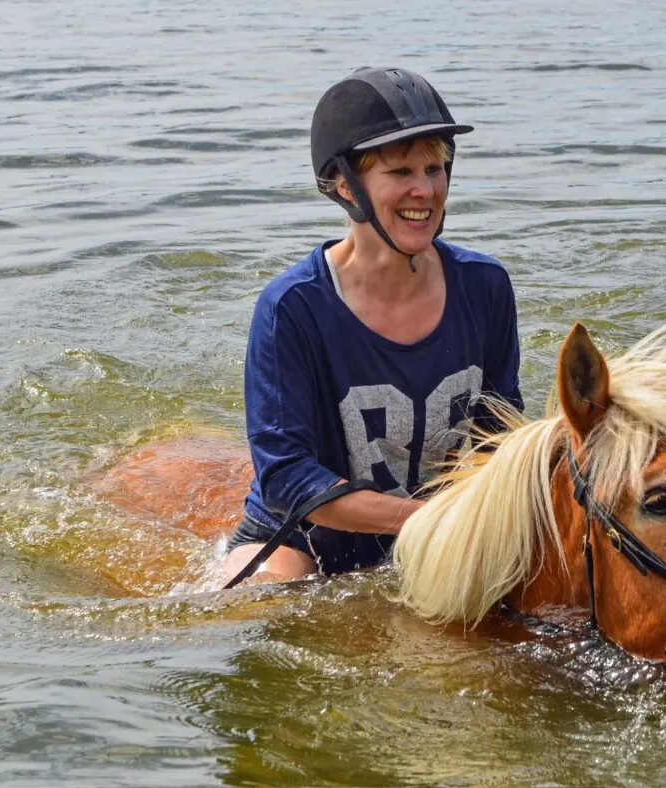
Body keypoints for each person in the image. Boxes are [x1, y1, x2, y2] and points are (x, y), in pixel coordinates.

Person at [220, 67, 524, 588]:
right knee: (267, 601)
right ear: (345, 185)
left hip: (444, 530)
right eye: (401, 172)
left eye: (435, 168)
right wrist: (429, 522)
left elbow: (499, 432)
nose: (425, 190)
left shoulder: (486, 286)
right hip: (304, 539)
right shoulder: (291, 308)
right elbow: (287, 478)